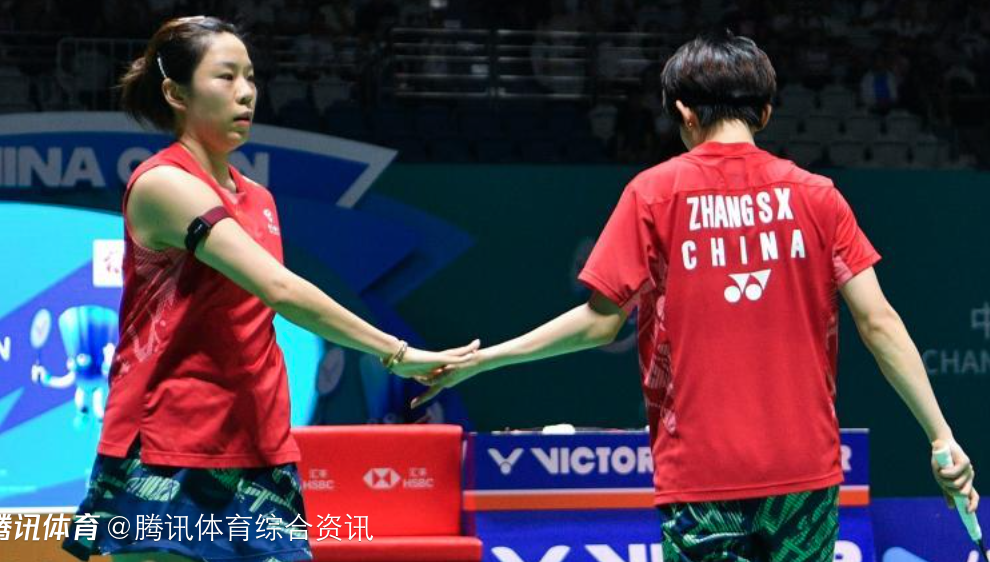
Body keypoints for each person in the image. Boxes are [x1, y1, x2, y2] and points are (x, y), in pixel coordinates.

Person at [414, 31, 978, 561]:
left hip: (704, 478)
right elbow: (879, 324)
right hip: (804, 472)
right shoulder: (818, 197)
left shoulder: (653, 194)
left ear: (684, 112)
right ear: (765, 112)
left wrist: (486, 359)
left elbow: (599, 322)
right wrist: (941, 437)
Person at [62, 16, 477, 562]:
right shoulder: (164, 184)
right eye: (226, 76)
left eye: (251, 78)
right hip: (169, 442)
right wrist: (396, 353)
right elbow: (280, 289)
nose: (246, 93)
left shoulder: (258, 198)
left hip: (258, 441)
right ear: (176, 94)